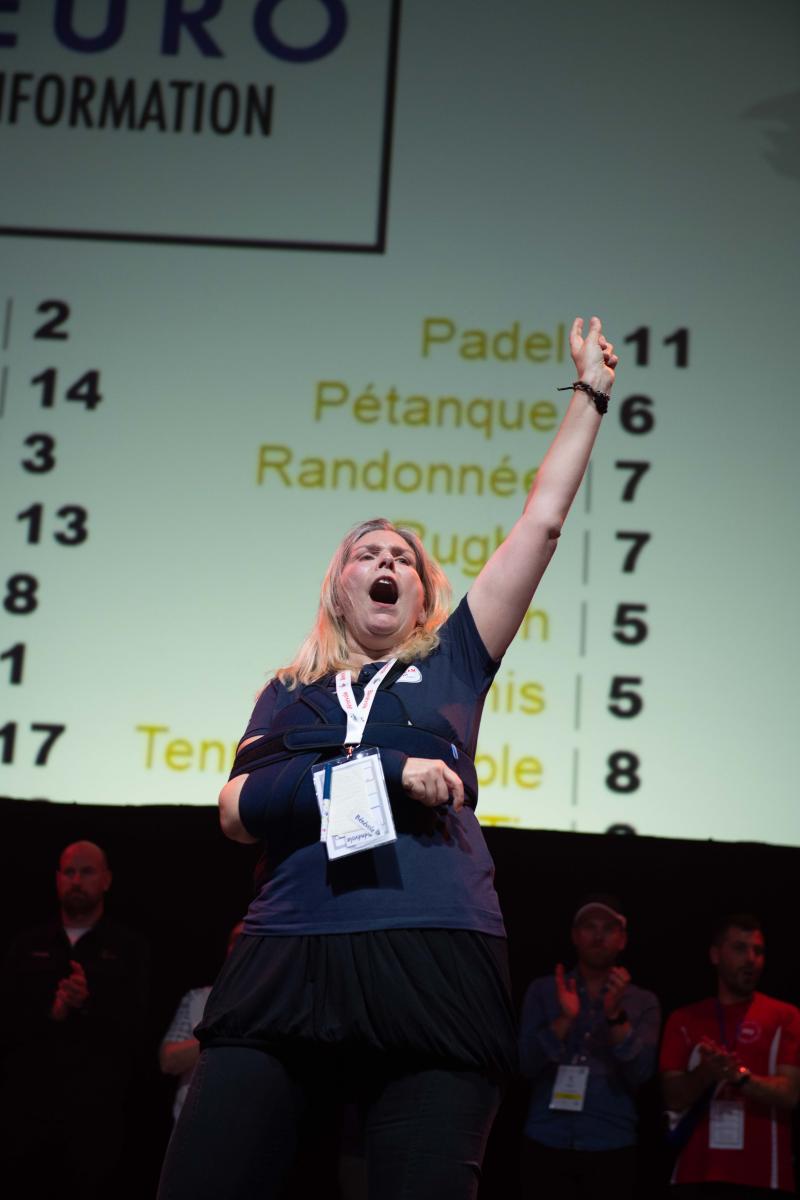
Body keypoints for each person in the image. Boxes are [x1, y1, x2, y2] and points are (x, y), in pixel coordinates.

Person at [157, 317, 619, 1200]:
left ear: (420, 592)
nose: (385, 562)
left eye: (401, 558)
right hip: (288, 952)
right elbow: (236, 809)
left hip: (432, 954)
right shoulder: (290, 688)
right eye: (366, 554)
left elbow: (542, 521)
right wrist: (385, 775)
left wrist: (590, 395)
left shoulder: (455, 658)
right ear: (340, 589)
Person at [0, 840, 149, 1199]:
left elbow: (140, 1027)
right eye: (69, 872)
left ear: (107, 879)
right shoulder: (26, 945)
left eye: (87, 871)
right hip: (27, 1116)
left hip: (100, 1119)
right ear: (57, 879)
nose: (77, 881)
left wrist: (88, 1003)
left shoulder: (129, 948)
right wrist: (50, 1012)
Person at [518, 896, 660, 1198]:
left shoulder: (642, 1001)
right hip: (546, 1137)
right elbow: (525, 1066)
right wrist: (564, 1019)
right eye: (589, 927)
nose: (598, 936)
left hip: (610, 1142)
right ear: (574, 935)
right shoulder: (544, 990)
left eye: (608, 928)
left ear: (623, 939)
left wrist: (615, 1016)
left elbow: (642, 1075)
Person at [660, 913, 800, 1198]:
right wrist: (706, 1072)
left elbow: (790, 1094)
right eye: (739, 948)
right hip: (695, 1172)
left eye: (758, 951)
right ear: (715, 955)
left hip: (765, 1176)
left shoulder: (786, 1016)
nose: (751, 959)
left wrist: (739, 1077)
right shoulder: (683, 1018)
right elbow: (672, 1098)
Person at [159, 920, 244, 1122]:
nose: (242, 947)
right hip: (195, 1125)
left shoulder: (277, 1003)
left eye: (250, 941)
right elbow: (168, 1060)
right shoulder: (198, 998)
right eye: (237, 940)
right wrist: (220, 1035)